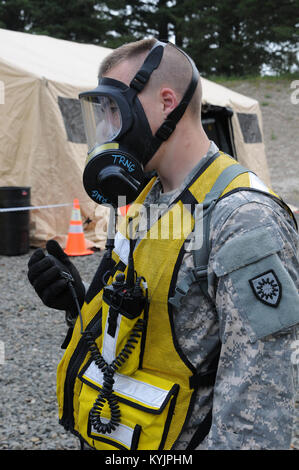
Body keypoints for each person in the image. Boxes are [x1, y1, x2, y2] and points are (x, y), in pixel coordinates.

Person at [28, 38, 299, 450]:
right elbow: (148, 332)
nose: (106, 126)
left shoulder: (242, 218)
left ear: (167, 102)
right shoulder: (145, 197)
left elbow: (258, 416)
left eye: (114, 108)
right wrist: (79, 308)